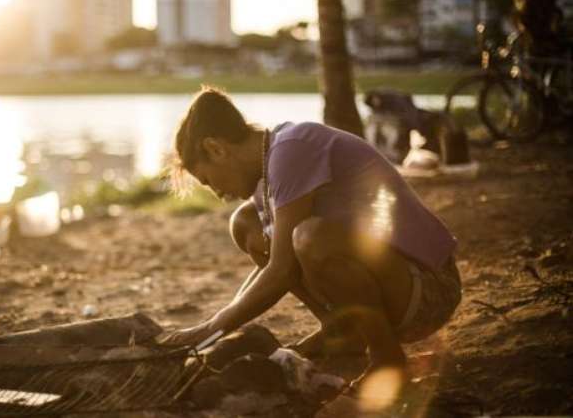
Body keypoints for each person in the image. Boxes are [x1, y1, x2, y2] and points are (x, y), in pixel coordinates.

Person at [162, 86, 462, 395]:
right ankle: (342, 333)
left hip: (429, 289)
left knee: (310, 238)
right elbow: (276, 264)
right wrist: (218, 323)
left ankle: (387, 359)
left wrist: (211, 329)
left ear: (216, 149)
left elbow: (282, 270)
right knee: (246, 224)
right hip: (396, 283)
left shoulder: (291, 149)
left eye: (208, 180)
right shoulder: (268, 172)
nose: (218, 193)